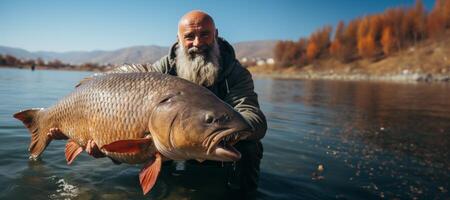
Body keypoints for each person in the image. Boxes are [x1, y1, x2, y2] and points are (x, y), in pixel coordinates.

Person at [47, 10, 267, 198]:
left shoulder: (236, 73)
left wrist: (231, 132)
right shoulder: (161, 70)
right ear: (179, 39)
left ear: (216, 35)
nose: (197, 42)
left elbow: (252, 116)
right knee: (150, 144)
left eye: (205, 34)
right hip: (167, 142)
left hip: (205, 143)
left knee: (248, 143)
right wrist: (104, 148)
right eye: (190, 36)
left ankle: (243, 194)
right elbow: (119, 122)